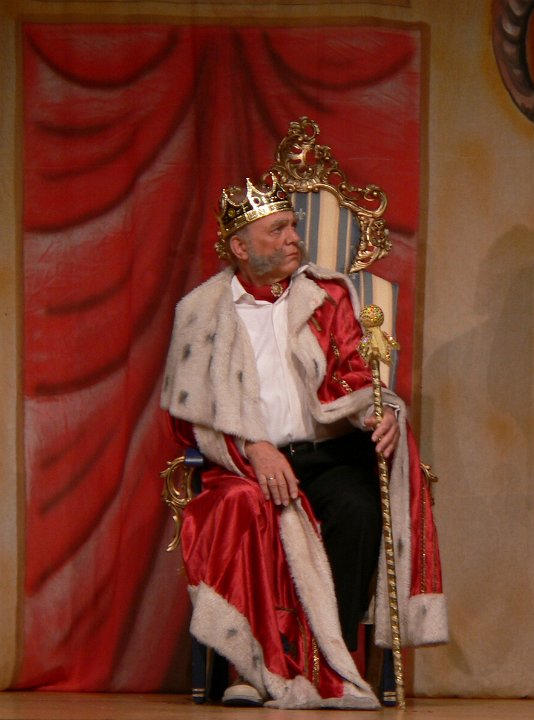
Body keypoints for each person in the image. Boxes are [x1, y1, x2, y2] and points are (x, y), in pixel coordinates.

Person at [161, 174, 447, 709]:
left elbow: (355, 375)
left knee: (357, 507)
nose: (295, 237)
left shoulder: (327, 296)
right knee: (242, 507)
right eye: (278, 229)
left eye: (293, 226)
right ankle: (248, 667)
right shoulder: (200, 313)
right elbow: (186, 418)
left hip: (327, 454)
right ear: (240, 247)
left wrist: (380, 412)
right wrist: (253, 447)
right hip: (244, 464)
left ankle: (330, 667)